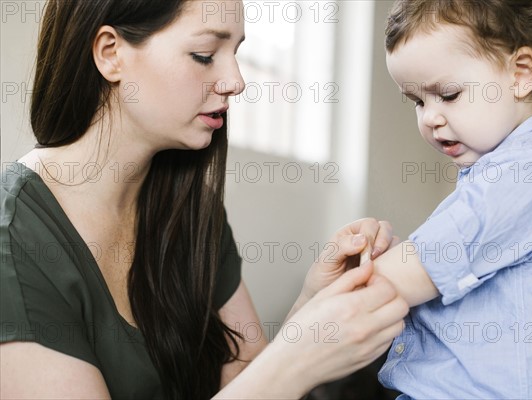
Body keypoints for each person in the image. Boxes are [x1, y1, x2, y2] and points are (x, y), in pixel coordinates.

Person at [0, 1, 409, 399]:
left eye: (236, 52)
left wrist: (311, 311)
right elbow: (273, 381)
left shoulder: (191, 212)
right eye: (204, 54)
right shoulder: (15, 237)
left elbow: (247, 377)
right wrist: (298, 360)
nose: (236, 80)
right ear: (111, 54)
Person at [368, 0, 532, 398]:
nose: (429, 118)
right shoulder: (505, 173)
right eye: (418, 101)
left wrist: (353, 277)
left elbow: (406, 276)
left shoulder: (527, 173)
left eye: (449, 94)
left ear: (521, 73)